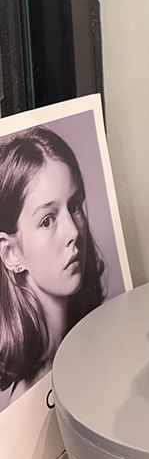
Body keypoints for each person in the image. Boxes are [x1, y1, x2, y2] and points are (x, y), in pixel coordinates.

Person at [0, 126, 105, 408]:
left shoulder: (95, 342)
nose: (73, 231)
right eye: (47, 220)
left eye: (74, 206)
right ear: (11, 254)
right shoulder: (25, 403)